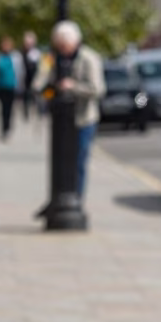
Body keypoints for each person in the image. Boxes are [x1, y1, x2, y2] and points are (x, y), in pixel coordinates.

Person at [50, 20, 105, 201]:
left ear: (74, 41)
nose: (61, 50)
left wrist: (73, 87)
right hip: (63, 120)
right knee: (62, 162)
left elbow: (97, 89)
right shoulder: (57, 58)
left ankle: (77, 199)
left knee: (79, 162)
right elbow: (47, 82)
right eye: (58, 46)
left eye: (63, 46)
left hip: (83, 119)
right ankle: (61, 196)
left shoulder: (89, 58)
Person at [0, 35, 20, 140]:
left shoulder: (16, 57)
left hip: (11, 86)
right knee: (2, 109)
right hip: (0, 86)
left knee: (10, 109)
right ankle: (3, 128)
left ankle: (8, 127)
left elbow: (20, 72)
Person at [21, 31, 41, 120]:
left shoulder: (36, 52)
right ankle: (26, 113)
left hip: (34, 78)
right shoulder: (21, 52)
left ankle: (37, 111)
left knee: (34, 95)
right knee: (26, 96)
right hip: (24, 78)